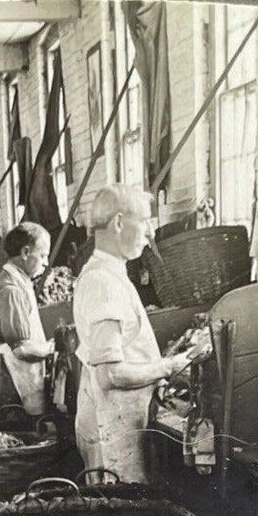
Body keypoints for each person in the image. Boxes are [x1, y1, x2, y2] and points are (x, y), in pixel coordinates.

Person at [72, 185, 198, 483]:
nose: (150, 231)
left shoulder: (109, 273)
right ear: (118, 223)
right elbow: (111, 375)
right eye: (143, 221)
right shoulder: (104, 283)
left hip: (115, 421)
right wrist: (169, 366)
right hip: (114, 430)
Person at [0, 223, 54, 417]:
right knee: (19, 434)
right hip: (11, 379)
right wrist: (52, 348)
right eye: (42, 255)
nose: (46, 262)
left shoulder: (19, 281)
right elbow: (22, 350)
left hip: (15, 373)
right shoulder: (11, 290)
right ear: (25, 252)